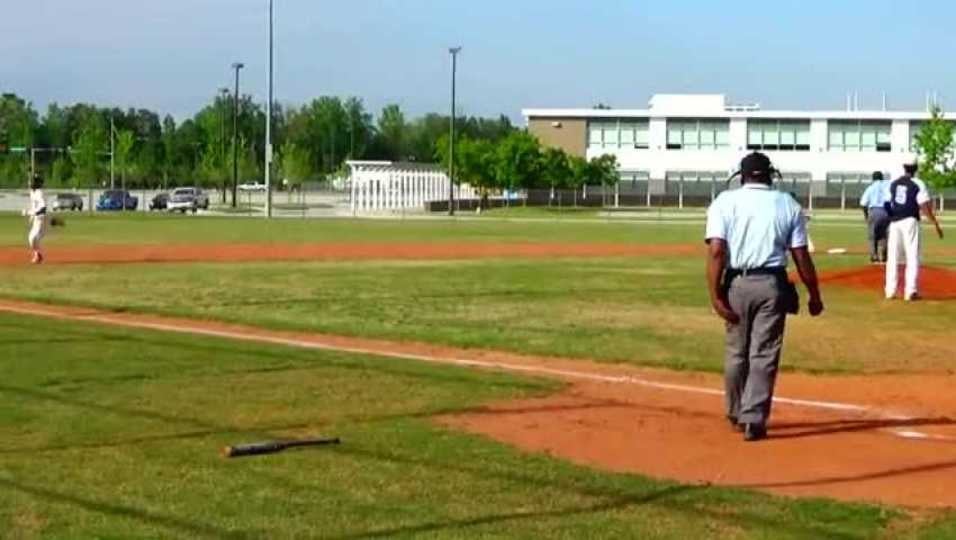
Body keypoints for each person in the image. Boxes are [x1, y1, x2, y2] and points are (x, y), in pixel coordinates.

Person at [706, 152, 824, 442]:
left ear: (741, 176)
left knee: (736, 351)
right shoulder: (787, 203)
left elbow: (717, 251)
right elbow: (800, 255)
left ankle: (735, 412)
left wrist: (715, 295)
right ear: (771, 174)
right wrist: (814, 294)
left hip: (737, 282)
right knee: (764, 353)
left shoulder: (724, 201)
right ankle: (754, 418)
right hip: (772, 284)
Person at [884, 162, 944, 301]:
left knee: (893, 256)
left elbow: (886, 203)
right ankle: (910, 291)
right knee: (912, 255)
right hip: (910, 220)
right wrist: (935, 223)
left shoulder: (894, 183)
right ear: (916, 169)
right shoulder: (918, 183)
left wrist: (892, 216)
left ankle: (890, 291)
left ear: (904, 167)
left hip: (895, 222)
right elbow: (924, 205)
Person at [859, 171, 890, 263]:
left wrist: (866, 215)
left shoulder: (870, 188)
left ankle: (874, 256)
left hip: (874, 211)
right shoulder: (887, 187)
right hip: (885, 211)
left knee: (872, 236)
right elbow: (890, 200)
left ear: (873, 178)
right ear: (882, 178)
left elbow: (863, 203)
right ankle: (884, 256)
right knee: (884, 235)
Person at [23, 174, 48, 264]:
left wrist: (31, 213)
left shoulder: (39, 193)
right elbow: (35, 206)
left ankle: (38, 256)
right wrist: (32, 216)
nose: (29, 182)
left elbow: (43, 208)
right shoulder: (32, 192)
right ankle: (38, 255)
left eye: (31, 181)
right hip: (36, 219)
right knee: (31, 239)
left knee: (33, 238)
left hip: (42, 219)